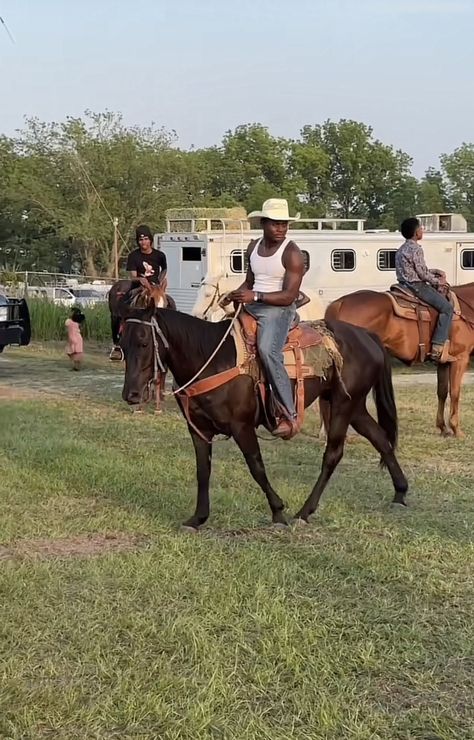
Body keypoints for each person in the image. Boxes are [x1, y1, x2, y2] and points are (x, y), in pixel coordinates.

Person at [224, 198, 305, 439]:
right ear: (263, 223)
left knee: (268, 351)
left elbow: (289, 296)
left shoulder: (292, 253)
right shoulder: (253, 247)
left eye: (284, 224)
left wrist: (255, 295)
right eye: (275, 224)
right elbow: (250, 281)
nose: (281, 229)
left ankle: (288, 414)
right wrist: (236, 294)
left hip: (278, 310)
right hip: (253, 304)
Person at [395, 217, 454, 362]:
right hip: (417, 286)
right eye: (421, 228)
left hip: (403, 285)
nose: (423, 230)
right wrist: (438, 281)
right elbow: (421, 274)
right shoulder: (416, 249)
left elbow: (418, 269)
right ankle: (438, 347)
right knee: (447, 308)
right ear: (416, 233)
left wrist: (434, 271)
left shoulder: (402, 248)